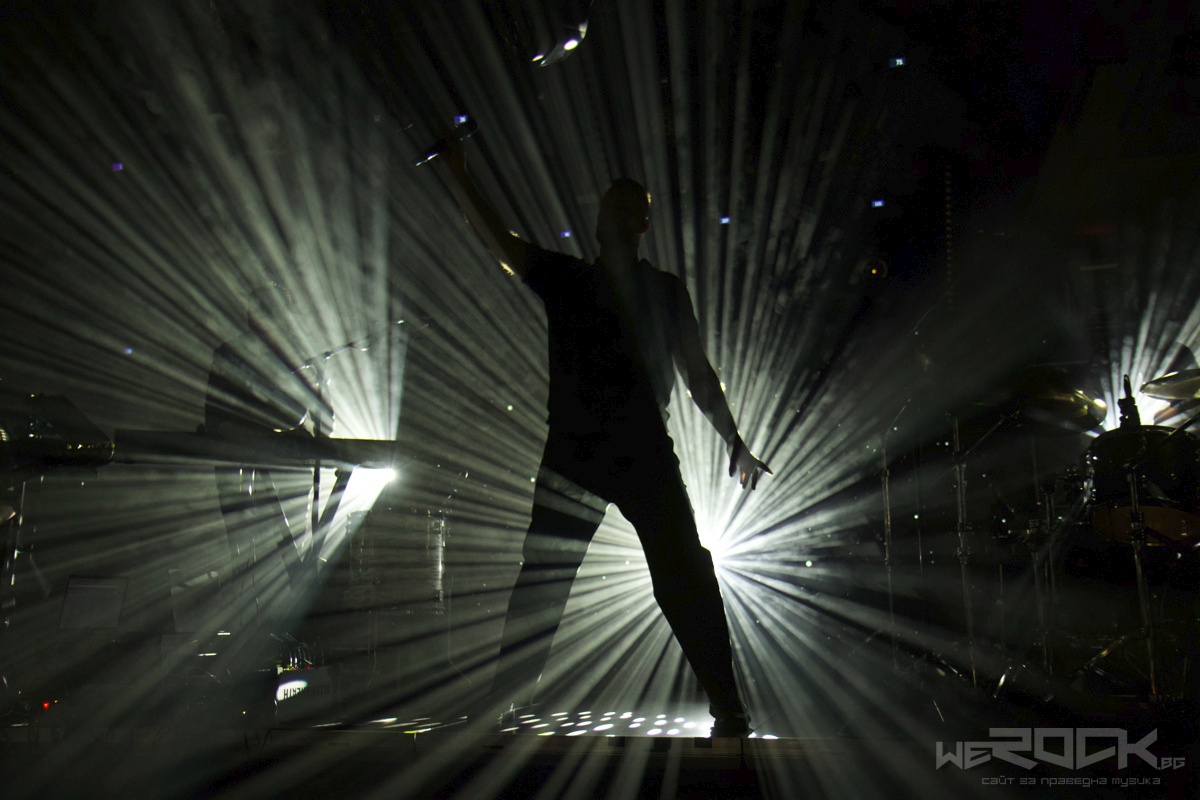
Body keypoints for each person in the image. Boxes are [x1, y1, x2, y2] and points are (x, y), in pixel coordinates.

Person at [438, 141, 772, 737]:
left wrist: (734, 440)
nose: (606, 215)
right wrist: (461, 178)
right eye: (606, 206)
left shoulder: (657, 290)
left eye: (621, 207)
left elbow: (698, 374)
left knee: (677, 576)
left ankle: (728, 705)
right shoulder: (573, 279)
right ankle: (503, 704)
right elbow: (501, 243)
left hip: (622, 450)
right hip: (591, 451)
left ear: (641, 223)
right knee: (550, 579)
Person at [204, 283, 332, 624]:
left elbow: (322, 415)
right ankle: (245, 603)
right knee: (241, 529)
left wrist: (314, 422)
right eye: (257, 310)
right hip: (239, 445)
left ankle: (265, 604)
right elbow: (217, 411)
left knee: (270, 530)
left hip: (269, 447)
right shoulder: (232, 353)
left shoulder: (298, 358)